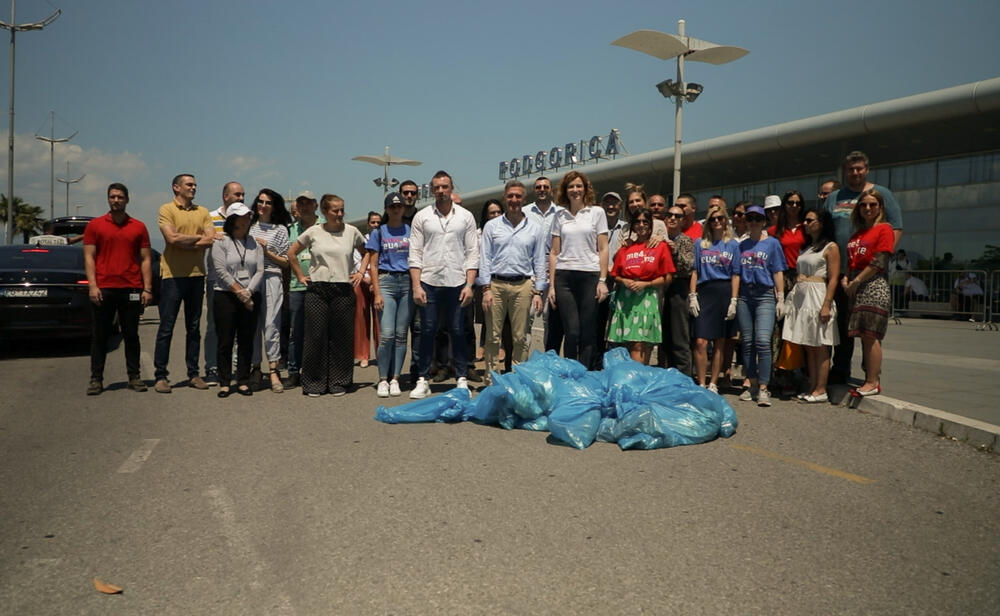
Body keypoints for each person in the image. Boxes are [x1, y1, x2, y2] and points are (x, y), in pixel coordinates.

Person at [825, 151, 903, 384]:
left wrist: (881, 257)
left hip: (869, 273)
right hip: (841, 273)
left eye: (859, 168)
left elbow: (896, 227)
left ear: (866, 170)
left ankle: (871, 373)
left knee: (868, 328)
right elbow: (827, 230)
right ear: (845, 171)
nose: (855, 172)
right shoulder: (835, 197)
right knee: (842, 325)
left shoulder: (881, 194)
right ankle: (840, 369)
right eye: (851, 169)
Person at [408, 171, 479, 399]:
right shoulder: (422, 217)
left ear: (451, 187)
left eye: (444, 186)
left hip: (457, 283)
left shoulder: (465, 217)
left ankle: (461, 379)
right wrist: (417, 286)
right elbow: (415, 253)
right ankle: (422, 379)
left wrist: (469, 285)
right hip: (429, 282)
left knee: (458, 330)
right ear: (432, 189)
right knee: (427, 330)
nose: (440, 191)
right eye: (437, 187)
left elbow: (472, 253)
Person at [288, 194, 366, 397]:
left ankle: (339, 381)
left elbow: (369, 252)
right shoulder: (313, 232)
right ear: (324, 211)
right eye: (335, 210)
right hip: (318, 289)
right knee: (315, 336)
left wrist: (360, 272)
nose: (340, 214)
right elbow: (291, 253)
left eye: (342, 210)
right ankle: (314, 382)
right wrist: (300, 275)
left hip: (342, 288)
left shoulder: (352, 231)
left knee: (341, 337)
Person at [83, 183, 153, 395]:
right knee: (100, 335)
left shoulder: (138, 227)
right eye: (112, 197)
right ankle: (96, 379)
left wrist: (147, 288)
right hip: (104, 288)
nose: (116, 200)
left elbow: (146, 259)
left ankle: (134, 377)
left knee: (131, 335)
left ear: (127, 200)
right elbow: (89, 257)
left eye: (120, 197)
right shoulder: (95, 226)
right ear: (108, 199)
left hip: (131, 288)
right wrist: (93, 286)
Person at [479, 180, 547, 376]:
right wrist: (486, 289)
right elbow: (485, 258)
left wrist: (538, 292)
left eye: (518, 196)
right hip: (496, 285)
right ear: (504, 199)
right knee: (492, 337)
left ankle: (518, 378)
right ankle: (492, 380)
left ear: (524, 199)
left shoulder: (535, 229)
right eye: (510, 196)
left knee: (521, 337)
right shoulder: (492, 227)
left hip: (523, 285)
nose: (514, 200)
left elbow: (539, 261)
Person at [153, 174, 214, 393]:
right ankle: (161, 376)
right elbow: (171, 239)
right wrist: (196, 240)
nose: (194, 187)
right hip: (172, 277)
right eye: (189, 184)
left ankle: (193, 374)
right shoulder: (166, 210)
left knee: (194, 327)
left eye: (195, 184)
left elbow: (210, 239)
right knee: (166, 328)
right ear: (176, 187)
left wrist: (185, 240)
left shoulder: (203, 212)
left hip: (197, 276)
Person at [547, 170, 609, 370]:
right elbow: (554, 252)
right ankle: (571, 372)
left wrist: (602, 280)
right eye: (571, 186)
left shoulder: (596, 213)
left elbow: (603, 248)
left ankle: (586, 374)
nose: (575, 190)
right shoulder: (559, 216)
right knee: (572, 331)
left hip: (589, 276)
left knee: (588, 332)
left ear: (585, 189)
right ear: (565, 190)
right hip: (564, 277)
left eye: (579, 186)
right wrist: (552, 287)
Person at [782, 209, 840, 403]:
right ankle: (813, 385)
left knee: (820, 345)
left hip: (818, 294)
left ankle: (821, 388)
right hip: (802, 295)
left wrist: (827, 305)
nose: (805, 223)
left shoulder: (830, 247)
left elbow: (833, 279)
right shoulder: (807, 247)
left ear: (821, 223)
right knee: (808, 344)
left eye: (809, 220)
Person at [843, 189, 895, 397]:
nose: (868, 208)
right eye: (864, 205)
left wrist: (856, 280)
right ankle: (868, 378)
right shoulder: (857, 234)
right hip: (856, 286)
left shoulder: (884, 229)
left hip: (873, 285)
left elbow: (879, 261)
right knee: (862, 335)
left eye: (872, 205)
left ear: (880, 207)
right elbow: (851, 260)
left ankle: (872, 381)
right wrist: (846, 278)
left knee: (871, 335)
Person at [607, 208, 674, 364]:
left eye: (645, 221)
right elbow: (615, 274)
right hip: (626, 300)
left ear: (650, 224)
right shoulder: (626, 248)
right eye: (637, 221)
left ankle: (638, 379)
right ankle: (632, 380)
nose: (641, 225)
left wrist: (647, 283)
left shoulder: (660, 247)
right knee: (627, 344)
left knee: (641, 343)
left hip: (647, 298)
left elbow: (668, 276)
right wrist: (624, 281)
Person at [735, 205, 786, 406]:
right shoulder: (741, 246)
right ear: (746, 222)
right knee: (747, 342)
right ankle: (753, 384)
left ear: (764, 221)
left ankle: (764, 387)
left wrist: (781, 296)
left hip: (765, 294)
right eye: (750, 218)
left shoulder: (773, 244)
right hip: (745, 295)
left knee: (763, 341)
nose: (754, 222)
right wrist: (734, 298)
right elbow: (737, 274)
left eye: (758, 218)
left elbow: (777, 270)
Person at [211, 203, 264, 398]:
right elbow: (221, 271)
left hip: (250, 295)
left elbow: (260, 270)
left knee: (246, 340)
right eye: (243, 216)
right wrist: (240, 292)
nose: (247, 219)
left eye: (248, 216)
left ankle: (242, 380)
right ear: (233, 219)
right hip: (226, 295)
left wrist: (249, 291)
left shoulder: (255, 243)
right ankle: (224, 382)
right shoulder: (221, 241)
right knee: (225, 340)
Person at [689, 203, 739, 392]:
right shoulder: (700, 243)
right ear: (708, 222)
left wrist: (734, 300)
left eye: (720, 218)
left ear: (726, 220)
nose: (717, 221)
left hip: (724, 291)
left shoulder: (733, 244)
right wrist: (692, 295)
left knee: (720, 340)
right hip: (704, 290)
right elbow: (694, 271)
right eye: (712, 219)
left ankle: (713, 383)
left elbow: (736, 274)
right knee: (700, 340)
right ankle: (701, 382)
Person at [366, 192, 412, 397]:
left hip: (407, 282)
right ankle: (382, 378)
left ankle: (395, 378)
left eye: (399, 206)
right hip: (386, 282)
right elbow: (373, 265)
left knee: (401, 335)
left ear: (403, 208)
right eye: (392, 206)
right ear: (386, 209)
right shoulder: (379, 232)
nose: (396, 209)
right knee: (387, 335)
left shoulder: (411, 230)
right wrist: (376, 292)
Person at [249, 188, 291, 393]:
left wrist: (267, 251)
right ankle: (255, 368)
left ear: (274, 207)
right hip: (250, 280)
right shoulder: (248, 225)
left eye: (267, 202)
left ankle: (273, 369)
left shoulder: (280, 230)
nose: (263, 205)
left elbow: (285, 262)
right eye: (260, 201)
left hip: (272, 277)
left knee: (271, 324)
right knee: (253, 327)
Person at [203, 181, 244, 386]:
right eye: (237, 195)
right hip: (215, 281)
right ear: (225, 196)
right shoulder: (210, 218)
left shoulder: (245, 219)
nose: (241, 198)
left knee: (237, 328)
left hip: (240, 281)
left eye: (243, 195)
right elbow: (203, 241)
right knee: (213, 327)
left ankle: (234, 367)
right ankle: (211, 367)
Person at [282, 190, 320, 389]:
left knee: (319, 331)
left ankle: (316, 371)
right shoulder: (290, 229)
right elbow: (287, 257)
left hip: (321, 285)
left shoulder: (326, 226)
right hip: (297, 287)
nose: (305, 207)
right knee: (296, 332)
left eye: (308, 203)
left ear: (316, 205)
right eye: (301, 203)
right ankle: (294, 371)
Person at [525, 176, 564, 354]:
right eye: (538, 187)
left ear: (551, 190)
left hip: (555, 271)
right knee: (527, 318)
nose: (542, 189)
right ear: (534, 190)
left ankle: (549, 360)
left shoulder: (562, 213)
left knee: (551, 319)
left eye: (545, 187)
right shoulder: (525, 212)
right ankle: (522, 360)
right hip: (530, 271)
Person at [475, 199, 512, 368]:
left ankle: (502, 347)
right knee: (486, 315)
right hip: (482, 277)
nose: (495, 215)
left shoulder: (507, 230)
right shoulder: (478, 233)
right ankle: (483, 345)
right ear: (486, 215)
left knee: (503, 318)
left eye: (498, 212)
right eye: (492, 213)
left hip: (500, 278)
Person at [659, 203, 695, 373]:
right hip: (659, 287)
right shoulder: (658, 239)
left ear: (683, 221)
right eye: (670, 215)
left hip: (678, 288)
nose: (672, 218)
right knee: (662, 336)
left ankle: (683, 377)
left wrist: (675, 253)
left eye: (677, 216)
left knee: (679, 336)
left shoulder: (685, 240)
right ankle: (663, 373)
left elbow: (689, 266)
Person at [597, 191, 627, 355]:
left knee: (617, 323)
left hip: (619, 281)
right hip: (599, 280)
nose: (610, 206)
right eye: (607, 203)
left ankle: (615, 359)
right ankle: (596, 361)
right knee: (598, 323)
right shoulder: (594, 227)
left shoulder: (626, 228)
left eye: (614, 203)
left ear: (620, 206)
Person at [353, 211, 381, 369]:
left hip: (378, 277)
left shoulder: (384, 239)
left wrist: (375, 280)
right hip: (361, 277)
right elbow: (357, 260)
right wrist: (364, 276)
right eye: (373, 222)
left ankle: (380, 354)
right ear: (368, 224)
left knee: (379, 319)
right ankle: (363, 355)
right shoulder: (361, 240)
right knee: (361, 318)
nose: (375, 225)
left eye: (378, 222)